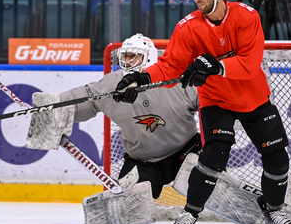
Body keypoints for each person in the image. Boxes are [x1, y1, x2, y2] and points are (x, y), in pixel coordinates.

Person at [114, 0, 291, 224]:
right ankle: (189, 214)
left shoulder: (247, 17)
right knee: (212, 157)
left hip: (254, 98)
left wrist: (216, 65)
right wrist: (142, 78)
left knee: (278, 157)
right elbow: (170, 65)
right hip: (216, 100)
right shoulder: (187, 27)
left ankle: (275, 210)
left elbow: (249, 64)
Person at [29, 33, 202, 201]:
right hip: (143, 161)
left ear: (149, 57)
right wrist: (56, 105)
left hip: (187, 152)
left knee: (212, 190)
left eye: (134, 56)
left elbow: (212, 103)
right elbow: (86, 97)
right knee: (126, 209)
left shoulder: (178, 78)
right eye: (125, 56)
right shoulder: (113, 84)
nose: (127, 61)